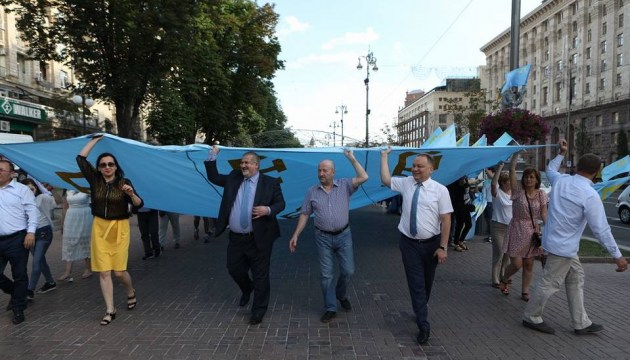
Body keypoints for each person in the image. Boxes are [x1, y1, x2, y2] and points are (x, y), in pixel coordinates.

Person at [522, 140, 628, 335]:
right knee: (549, 283)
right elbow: (602, 230)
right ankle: (531, 316)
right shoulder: (590, 194)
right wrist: (617, 255)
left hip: (558, 244)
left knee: (576, 278)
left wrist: (561, 153)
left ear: (577, 167)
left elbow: (551, 168)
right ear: (597, 172)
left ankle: (581, 322)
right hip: (563, 248)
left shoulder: (561, 180)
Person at [205, 145, 285, 325]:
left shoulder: (270, 183)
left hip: (260, 238)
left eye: (247, 163)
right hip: (236, 238)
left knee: (261, 276)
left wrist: (268, 209)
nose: (243, 165)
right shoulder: (234, 178)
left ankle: (258, 310)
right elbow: (213, 177)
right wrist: (212, 155)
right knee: (233, 268)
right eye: (241, 162)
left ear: (256, 165)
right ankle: (247, 288)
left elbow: (281, 203)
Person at [380, 148, 452, 345]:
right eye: (413, 166)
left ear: (431, 169)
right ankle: (423, 325)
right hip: (409, 244)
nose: (415, 169)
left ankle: (421, 308)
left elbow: (446, 219)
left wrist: (443, 247)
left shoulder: (440, 190)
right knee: (416, 284)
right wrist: (384, 157)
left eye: (420, 166)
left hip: (432, 245)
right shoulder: (406, 183)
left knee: (427, 282)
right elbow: (386, 180)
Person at [288, 150, 369, 323]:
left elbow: (363, 177)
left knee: (348, 270)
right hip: (322, 237)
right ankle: (330, 307)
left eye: (325, 170)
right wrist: (296, 235)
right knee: (326, 275)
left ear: (333, 172)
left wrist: (352, 159)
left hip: (344, 236)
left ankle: (340, 293)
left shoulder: (345, 185)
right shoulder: (312, 192)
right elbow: (304, 214)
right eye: (319, 170)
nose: (321, 173)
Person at [77, 134, 143, 326]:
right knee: (104, 272)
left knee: (119, 272)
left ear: (116, 167)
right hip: (99, 228)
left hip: (119, 228)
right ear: (98, 168)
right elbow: (81, 159)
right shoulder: (95, 180)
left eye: (110, 164)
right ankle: (110, 309)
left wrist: (131, 195)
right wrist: (95, 141)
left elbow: (139, 204)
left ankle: (130, 291)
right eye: (103, 164)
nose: (107, 167)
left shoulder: (123, 182)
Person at [500, 155, 547, 301]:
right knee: (517, 263)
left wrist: (549, 229)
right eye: (526, 177)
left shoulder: (541, 194)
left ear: (537, 179)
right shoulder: (518, 192)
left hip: (532, 230)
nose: (528, 179)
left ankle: (525, 291)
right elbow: (512, 170)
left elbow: (544, 213)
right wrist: (515, 155)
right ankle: (505, 278)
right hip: (517, 229)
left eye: (532, 177)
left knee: (529, 263)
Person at [0, 159, 37, 324]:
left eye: (1, 169)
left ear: (11, 173)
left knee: (20, 274)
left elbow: (32, 211)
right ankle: (16, 293)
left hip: (18, 239)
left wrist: (31, 232)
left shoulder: (21, 190)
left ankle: (18, 309)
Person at [21, 178, 57, 300]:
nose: (30, 190)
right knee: (40, 261)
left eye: (32, 187)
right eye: (26, 188)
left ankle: (29, 290)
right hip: (30, 235)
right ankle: (50, 282)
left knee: (36, 262)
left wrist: (51, 190)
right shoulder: (21, 202)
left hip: (43, 233)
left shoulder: (41, 198)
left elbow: (57, 201)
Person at [57, 189, 93, 282]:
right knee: (69, 243)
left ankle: (88, 269)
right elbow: (65, 207)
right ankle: (67, 272)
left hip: (85, 215)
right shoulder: (66, 188)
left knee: (86, 242)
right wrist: (62, 224)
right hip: (71, 216)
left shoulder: (85, 186)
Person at [490, 163, 512, 288]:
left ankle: (504, 275)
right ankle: (495, 279)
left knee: (507, 253)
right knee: (499, 252)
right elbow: (493, 183)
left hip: (510, 227)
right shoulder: (497, 193)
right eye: (508, 181)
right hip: (498, 227)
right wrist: (499, 168)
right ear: (503, 183)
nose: (510, 183)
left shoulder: (514, 193)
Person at [447, 176, 472, 252]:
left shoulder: (466, 181)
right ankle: (456, 243)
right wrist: (464, 183)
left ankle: (461, 241)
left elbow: (467, 191)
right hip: (459, 207)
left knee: (469, 224)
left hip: (466, 206)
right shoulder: (455, 185)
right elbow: (458, 193)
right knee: (459, 225)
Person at [483, 167, 495, 242]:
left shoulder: (495, 181)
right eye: (486, 173)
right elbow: (484, 192)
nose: (487, 174)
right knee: (487, 220)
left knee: (490, 220)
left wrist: (486, 167)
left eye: (488, 173)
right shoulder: (486, 181)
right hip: (486, 203)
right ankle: (489, 235)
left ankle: (491, 236)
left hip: (491, 202)